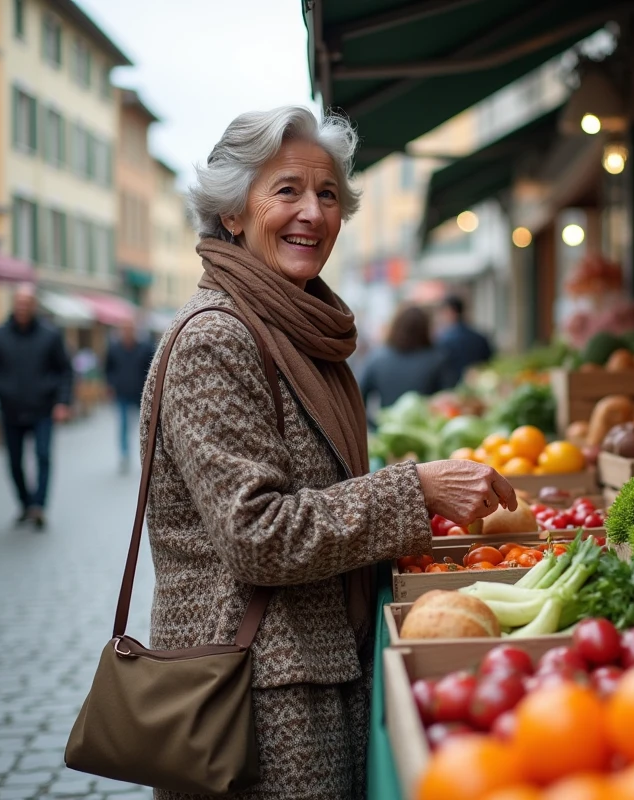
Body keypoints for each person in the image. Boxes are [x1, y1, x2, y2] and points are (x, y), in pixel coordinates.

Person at [147, 106, 515, 799]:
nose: (312, 213)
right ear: (232, 213)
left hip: (303, 674)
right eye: (286, 190)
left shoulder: (299, 327)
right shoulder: (215, 339)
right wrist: (414, 491)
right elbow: (257, 533)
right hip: (255, 695)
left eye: (326, 194)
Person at [0, 284, 74, 530]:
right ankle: (25, 503)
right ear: (13, 304)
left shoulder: (50, 335)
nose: (23, 307)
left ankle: (38, 506)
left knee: (43, 456)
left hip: (43, 408)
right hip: (10, 409)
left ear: (34, 306)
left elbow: (65, 371)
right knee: (14, 461)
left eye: (27, 303)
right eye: (19, 302)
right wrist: (1, 388)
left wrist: (62, 401)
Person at [359, 305, 456, 419]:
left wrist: (371, 425)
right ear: (425, 328)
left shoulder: (377, 357)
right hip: (425, 432)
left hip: (387, 430)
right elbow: (448, 399)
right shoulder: (438, 359)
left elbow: (358, 396)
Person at [104, 319, 155, 472]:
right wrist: (110, 385)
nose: (127, 332)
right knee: (124, 426)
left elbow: (152, 367)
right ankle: (125, 455)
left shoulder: (145, 348)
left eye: (130, 329)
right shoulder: (113, 348)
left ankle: (147, 454)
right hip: (122, 392)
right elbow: (108, 369)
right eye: (125, 329)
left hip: (141, 393)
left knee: (145, 425)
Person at [435, 294, 494, 384]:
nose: (442, 317)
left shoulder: (444, 340)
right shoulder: (479, 337)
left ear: (451, 312)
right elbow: (489, 361)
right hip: (478, 386)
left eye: (443, 312)